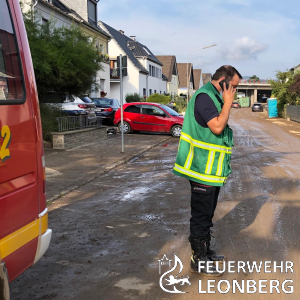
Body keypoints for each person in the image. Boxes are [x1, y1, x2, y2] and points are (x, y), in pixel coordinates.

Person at [173, 65, 242, 276]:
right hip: (201, 167)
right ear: (223, 80)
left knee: (208, 214)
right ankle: (198, 260)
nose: (234, 91)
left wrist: (226, 102)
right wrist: (228, 104)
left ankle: (205, 251)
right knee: (201, 216)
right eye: (233, 86)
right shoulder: (204, 97)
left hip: (211, 170)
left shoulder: (213, 96)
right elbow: (218, 127)